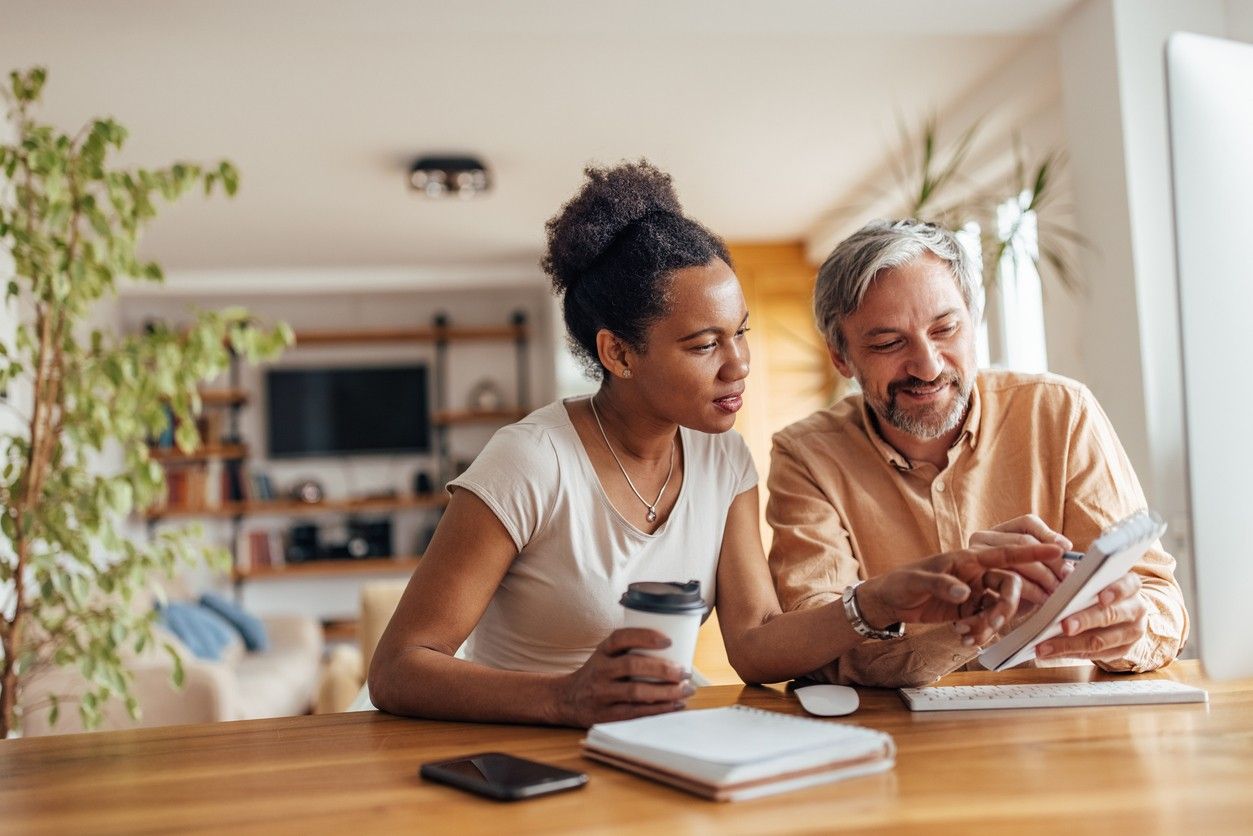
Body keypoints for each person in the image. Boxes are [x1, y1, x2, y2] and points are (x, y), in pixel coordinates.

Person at [368, 164, 1060, 728]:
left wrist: (877, 601)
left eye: (741, 333)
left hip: (665, 734)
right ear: (618, 352)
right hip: (527, 746)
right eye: (703, 345)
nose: (738, 365)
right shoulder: (529, 461)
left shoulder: (721, 457)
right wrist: (563, 699)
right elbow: (399, 666)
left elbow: (756, 641)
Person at [767, 219, 1189, 688]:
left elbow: (1160, 602)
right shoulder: (806, 455)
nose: (927, 366)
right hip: (908, 745)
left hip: (1067, 729)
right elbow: (820, 645)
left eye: (945, 328)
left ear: (974, 321)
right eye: (888, 343)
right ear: (842, 358)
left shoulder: (1060, 412)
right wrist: (977, 625)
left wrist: (1129, 630)